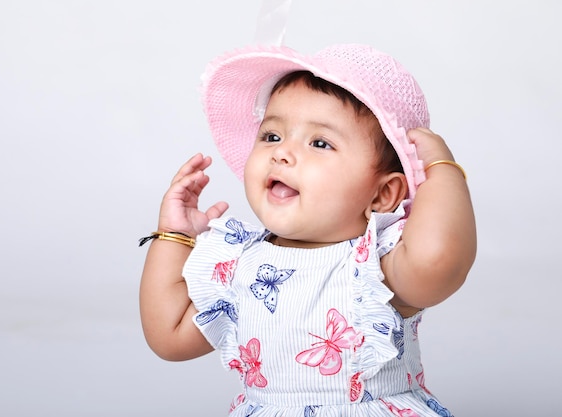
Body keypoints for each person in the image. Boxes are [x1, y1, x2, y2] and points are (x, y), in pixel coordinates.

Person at [139, 43, 476, 416]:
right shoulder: (237, 263)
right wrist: (174, 237)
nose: (281, 153)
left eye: (319, 142)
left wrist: (441, 169)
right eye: (271, 136)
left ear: (382, 193)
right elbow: (168, 337)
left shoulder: (377, 266)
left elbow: (439, 260)